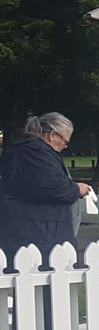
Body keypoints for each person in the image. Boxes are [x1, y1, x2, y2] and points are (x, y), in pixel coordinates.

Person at [0, 112, 92, 268]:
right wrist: (76, 189)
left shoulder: (20, 151)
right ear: (52, 135)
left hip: (24, 229)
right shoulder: (36, 154)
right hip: (41, 234)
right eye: (65, 141)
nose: (65, 146)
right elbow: (51, 186)